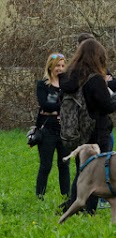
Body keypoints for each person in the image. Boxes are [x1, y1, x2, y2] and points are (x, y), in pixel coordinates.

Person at [58, 39, 116, 215]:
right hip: (96, 133)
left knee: (82, 170)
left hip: (76, 132)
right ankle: (88, 209)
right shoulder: (95, 80)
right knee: (95, 172)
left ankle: (73, 204)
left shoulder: (68, 78)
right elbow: (107, 105)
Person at [34, 53, 70, 200]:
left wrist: (55, 108)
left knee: (64, 164)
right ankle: (39, 195)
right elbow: (44, 105)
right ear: (50, 67)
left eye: (63, 66)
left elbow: (70, 106)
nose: (60, 69)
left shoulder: (67, 85)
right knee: (46, 165)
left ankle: (66, 195)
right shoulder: (43, 85)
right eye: (57, 66)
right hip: (47, 130)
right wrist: (59, 107)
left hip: (64, 129)